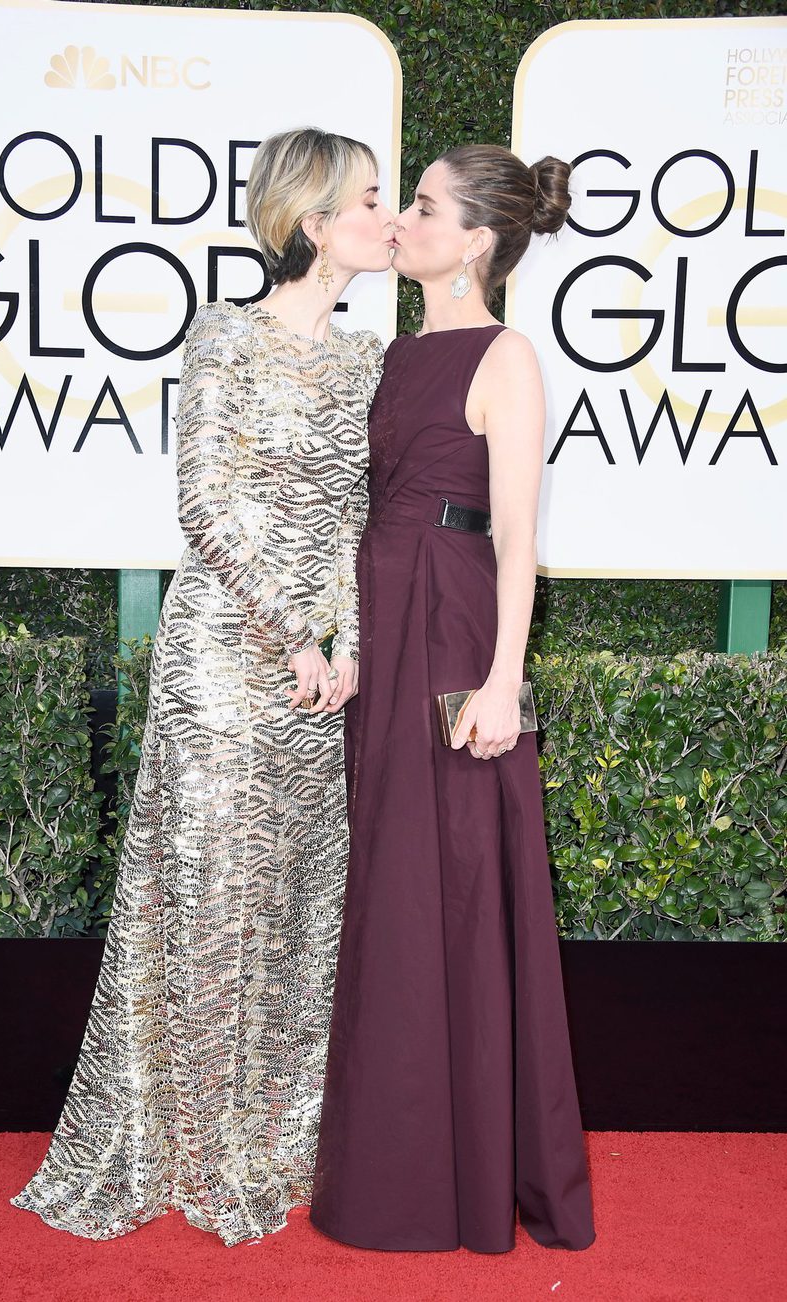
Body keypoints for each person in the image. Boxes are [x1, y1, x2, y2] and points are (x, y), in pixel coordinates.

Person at [12, 127, 394, 1247]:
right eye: (370, 199)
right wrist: (295, 637)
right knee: (211, 895)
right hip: (225, 661)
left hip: (322, 671)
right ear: (314, 222)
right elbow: (208, 508)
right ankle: (187, 1140)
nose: (386, 217)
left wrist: (352, 645)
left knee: (297, 901)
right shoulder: (224, 336)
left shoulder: (370, 359)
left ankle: (276, 1136)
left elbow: (354, 524)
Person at [310, 144, 596, 1254]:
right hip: (385, 626)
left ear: (475, 240)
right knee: (394, 888)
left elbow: (519, 535)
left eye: (422, 208)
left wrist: (505, 683)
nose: (403, 224)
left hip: (455, 632)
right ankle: (397, 1161)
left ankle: (463, 1178)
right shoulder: (388, 355)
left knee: (459, 890)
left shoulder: (507, 354)